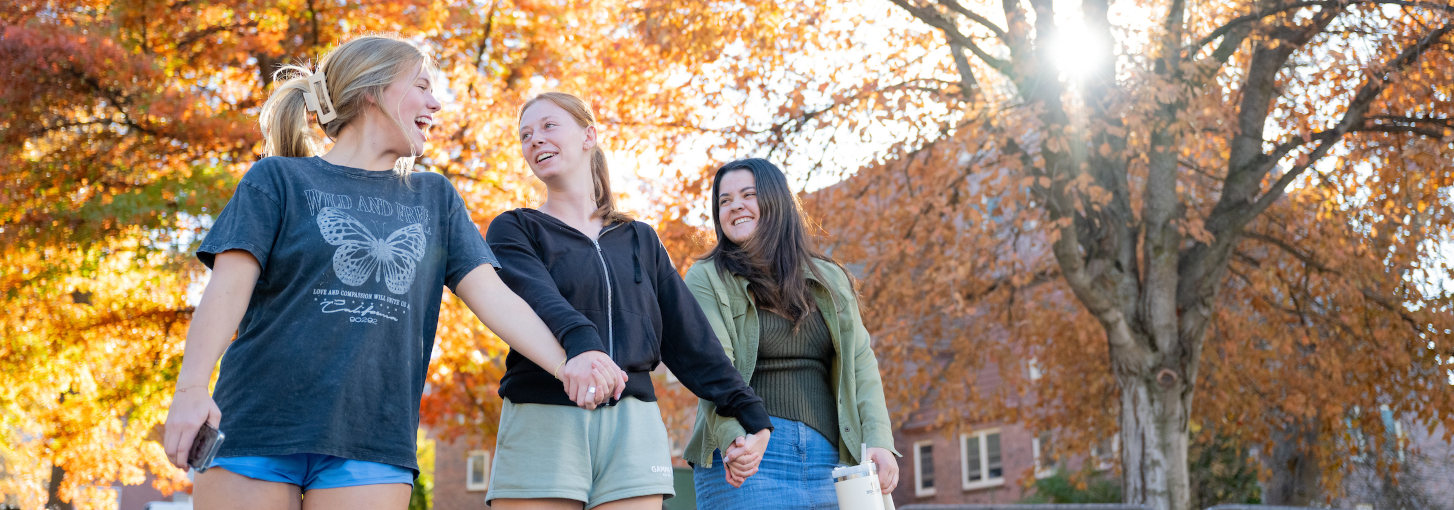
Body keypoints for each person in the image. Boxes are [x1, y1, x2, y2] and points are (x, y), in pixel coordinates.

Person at [161, 35, 626, 510]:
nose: (435, 102)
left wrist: (568, 363)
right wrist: (192, 389)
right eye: (422, 86)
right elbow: (226, 293)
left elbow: (496, 298)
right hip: (254, 428)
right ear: (373, 90)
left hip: (372, 440)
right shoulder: (277, 179)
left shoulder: (435, 198)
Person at [483, 92, 773, 510]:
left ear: (589, 136)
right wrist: (583, 342)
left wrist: (752, 415)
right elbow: (538, 299)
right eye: (525, 135)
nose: (535, 140)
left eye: (548, 126)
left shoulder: (640, 239)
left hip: (633, 423)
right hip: (543, 411)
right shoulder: (514, 229)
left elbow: (690, 337)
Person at [683, 158, 900, 508]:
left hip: (833, 460)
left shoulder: (830, 278)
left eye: (747, 194)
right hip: (751, 454)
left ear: (776, 202)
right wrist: (736, 441)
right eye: (724, 201)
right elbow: (711, 365)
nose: (734, 205)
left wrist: (879, 440)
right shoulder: (707, 277)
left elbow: (861, 363)